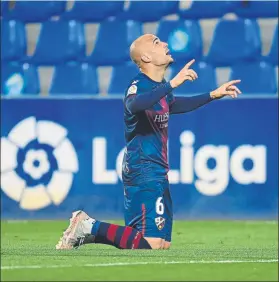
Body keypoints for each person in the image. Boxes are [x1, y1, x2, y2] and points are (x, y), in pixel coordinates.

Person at [56, 34, 241, 250]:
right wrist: (172, 84)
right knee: (151, 243)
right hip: (142, 168)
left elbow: (173, 105)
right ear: (145, 57)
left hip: (157, 169)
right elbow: (134, 105)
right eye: (156, 42)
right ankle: (89, 226)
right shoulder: (138, 85)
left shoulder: (159, 86)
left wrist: (212, 94)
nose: (164, 44)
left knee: (162, 244)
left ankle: (88, 232)